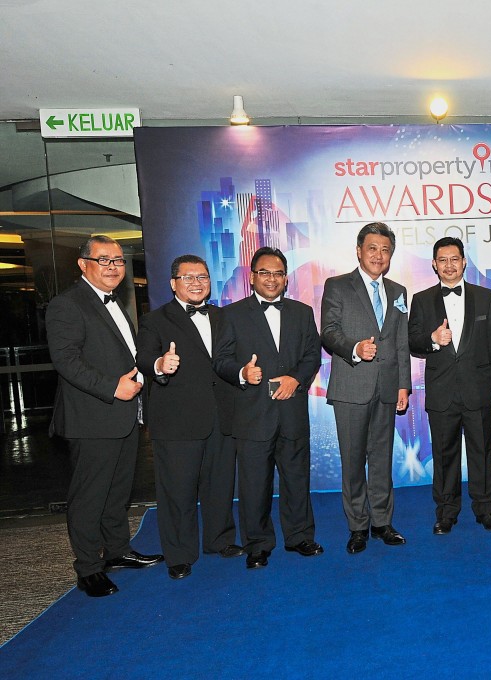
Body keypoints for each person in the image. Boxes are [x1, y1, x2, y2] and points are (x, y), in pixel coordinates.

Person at [46, 235, 163, 597]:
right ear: (84, 264)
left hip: (124, 415)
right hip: (92, 418)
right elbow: (66, 361)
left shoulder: (116, 304)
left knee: (116, 492)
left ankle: (117, 551)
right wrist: (112, 387)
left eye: (118, 260)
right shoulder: (67, 305)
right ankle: (88, 568)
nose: (113, 267)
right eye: (104, 260)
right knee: (89, 497)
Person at [213, 247, 323, 569]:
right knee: (253, 485)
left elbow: (312, 355)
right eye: (264, 272)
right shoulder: (231, 315)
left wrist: (296, 379)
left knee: (297, 480)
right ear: (252, 277)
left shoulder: (302, 313)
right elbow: (220, 361)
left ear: (285, 278)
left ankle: (300, 536)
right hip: (252, 415)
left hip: (292, 413)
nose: (271, 279)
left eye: (277, 273)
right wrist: (242, 373)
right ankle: (258, 544)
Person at [136, 254, 243, 580]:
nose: (197, 283)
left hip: (221, 416)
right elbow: (145, 358)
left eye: (202, 277)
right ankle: (179, 554)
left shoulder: (224, 317)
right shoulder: (155, 320)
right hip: (178, 420)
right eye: (188, 277)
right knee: (178, 490)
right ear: (173, 284)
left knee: (220, 483)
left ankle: (219, 540)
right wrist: (159, 366)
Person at [408, 237, 491, 534]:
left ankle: (486, 508)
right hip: (441, 392)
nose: (449, 265)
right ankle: (446, 511)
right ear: (434, 265)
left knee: (482, 451)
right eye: (443, 260)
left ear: (464, 262)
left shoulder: (485, 297)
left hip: (478, 389)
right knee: (443, 454)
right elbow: (412, 342)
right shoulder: (422, 300)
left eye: (455, 259)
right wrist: (433, 340)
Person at [321, 222, 411, 554]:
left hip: (387, 389)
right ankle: (358, 526)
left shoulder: (399, 291)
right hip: (351, 386)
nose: (378, 255)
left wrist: (404, 385)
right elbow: (328, 332)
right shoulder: (338, 285)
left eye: (385, 249)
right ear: (359, 251)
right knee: (353, 460)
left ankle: (382, 523)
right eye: (372, 248)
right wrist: (355, 349)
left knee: (382, 459)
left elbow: (400, 342)